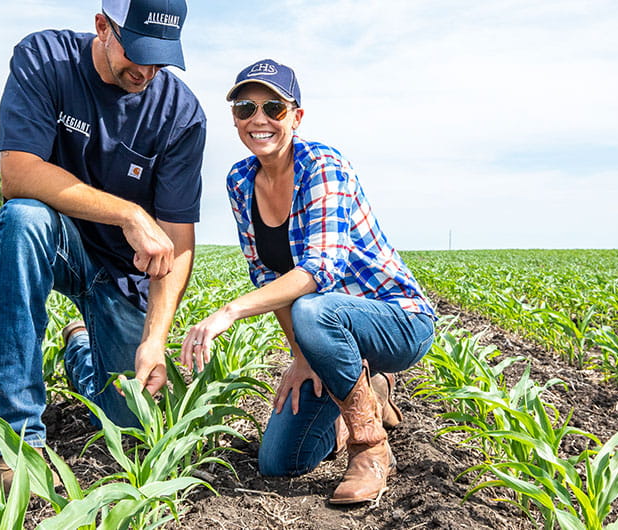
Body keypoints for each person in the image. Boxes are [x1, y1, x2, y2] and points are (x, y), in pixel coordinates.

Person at [179, 59, 435, 504]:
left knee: (313, 307)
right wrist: (301, 355)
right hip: (322, 330)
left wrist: (229, 311)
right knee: (280, 461)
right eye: (245, 107)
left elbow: (320, 273)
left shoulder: (323, 165)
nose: (258, 119)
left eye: (273, 107)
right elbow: (268, 273)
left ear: (296, 117)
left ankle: (370, 447)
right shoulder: (240, 180)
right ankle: (363, 388)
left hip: (397, 321)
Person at [0, 0, 204, 491]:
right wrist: (129, 212)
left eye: (161, 56)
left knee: (133, 425)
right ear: (102, 26)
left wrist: (155, 339)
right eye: (138, 51)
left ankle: (81, 345)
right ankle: (15, 437)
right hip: (56, 240)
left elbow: (179, 242)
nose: (146, 69)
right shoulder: (45, 58)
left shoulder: (181, 114)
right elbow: (18, 174)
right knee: (23, 218)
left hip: (121, 277)